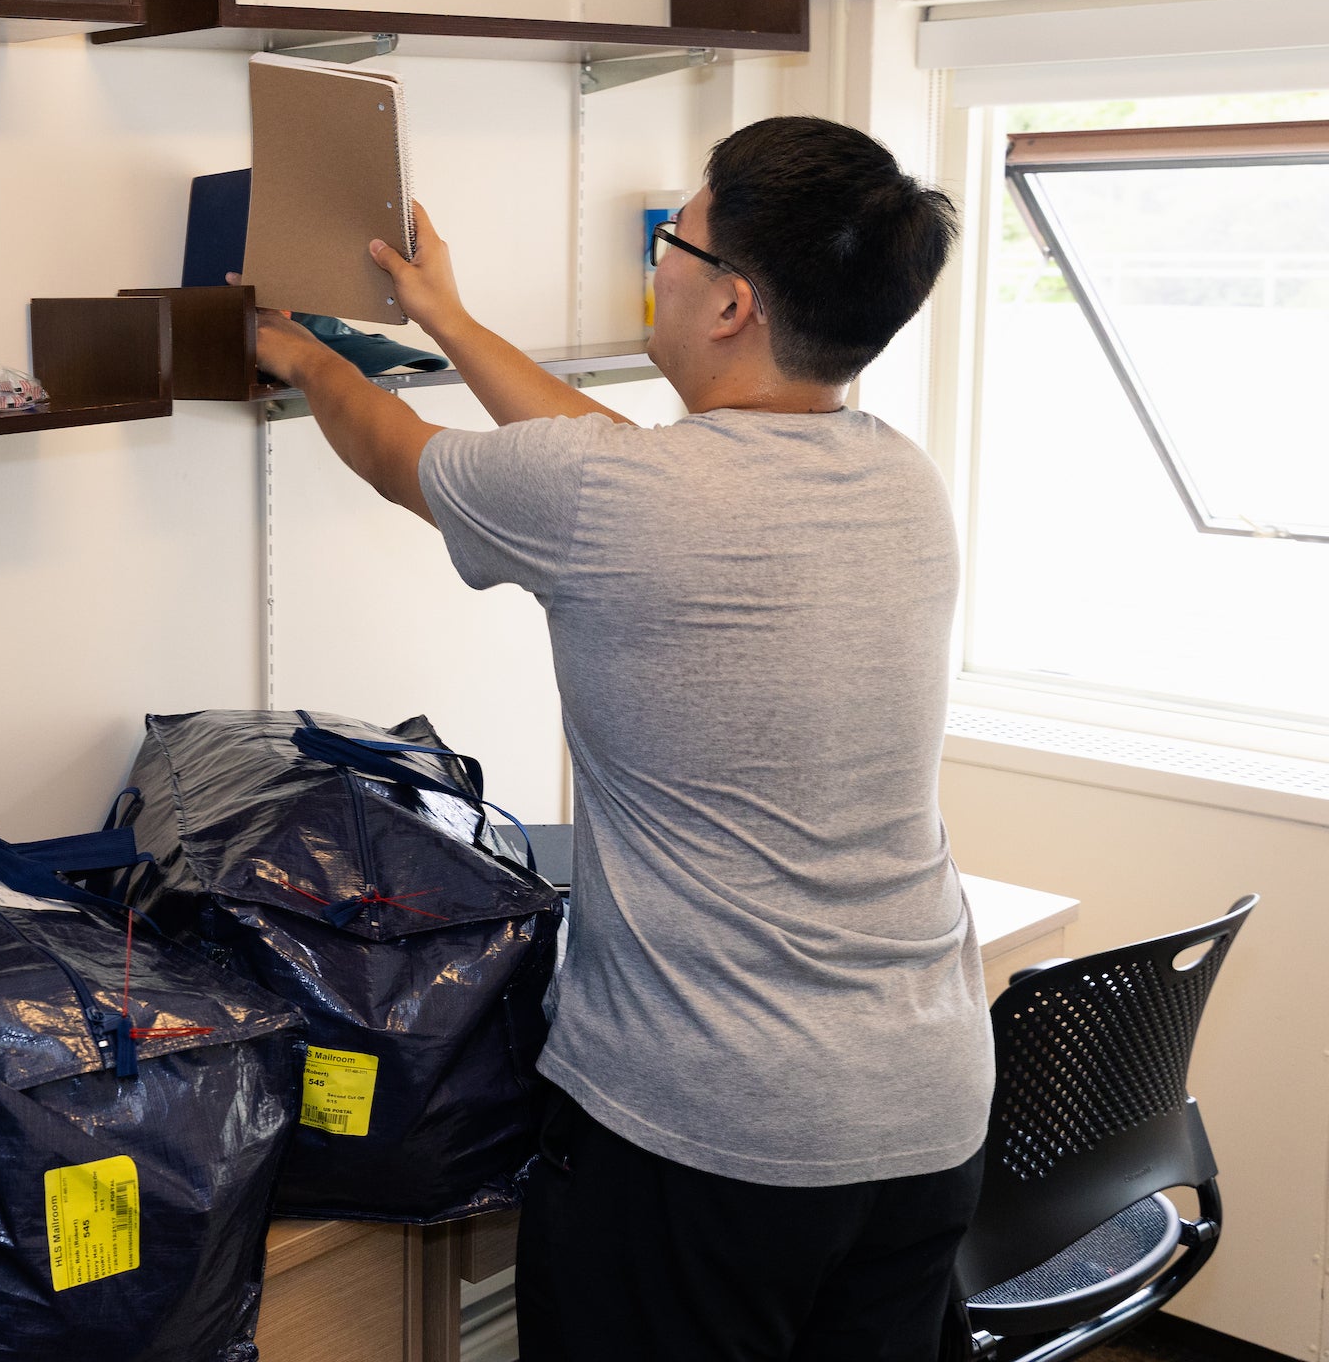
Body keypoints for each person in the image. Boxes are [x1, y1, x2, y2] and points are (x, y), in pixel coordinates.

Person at [252, 116, 993, 1362]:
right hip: (924, 1113)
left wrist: (294, 354)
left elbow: (396, 454)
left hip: (708, 1128)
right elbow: (618, 460)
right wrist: (445, 315)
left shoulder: (616, 502)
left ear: (729, 304)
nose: (659, 258)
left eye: (674, 239)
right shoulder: (898, 480)